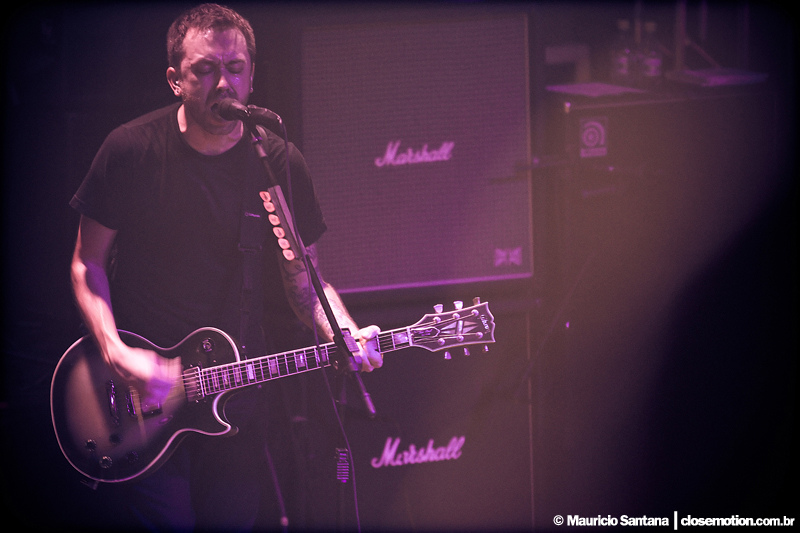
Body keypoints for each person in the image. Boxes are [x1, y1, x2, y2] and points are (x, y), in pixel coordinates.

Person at [68, 3, 382, 530]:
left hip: (234, 398)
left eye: (235, 68)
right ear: (176, 80)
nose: (223, 83)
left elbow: (305, 281)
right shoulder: (130, 151)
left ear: (252, 76)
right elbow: (86, 264)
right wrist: (116, 353)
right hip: (142, 397)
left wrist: (343, 332)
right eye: (205, 70)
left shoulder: (276, 162)